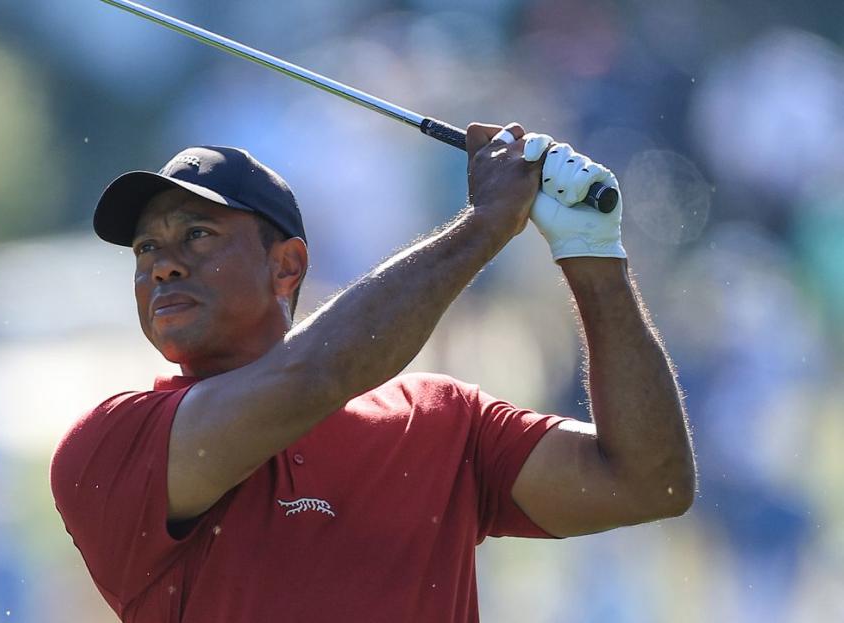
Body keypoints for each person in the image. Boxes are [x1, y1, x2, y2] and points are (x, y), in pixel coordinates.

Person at [49, 122, 696, 622]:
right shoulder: (111, 444)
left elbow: (649, 481)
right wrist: (486, 226)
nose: (163, 265)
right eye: (146, 248)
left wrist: (591, 253)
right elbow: (317, 375)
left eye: (198, 236)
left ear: (287, 267)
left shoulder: (443, 420)